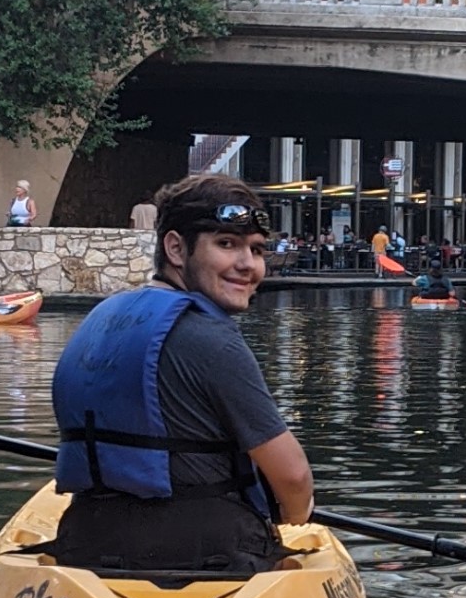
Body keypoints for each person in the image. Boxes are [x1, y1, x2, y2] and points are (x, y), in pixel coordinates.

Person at [45, 173, 314, 573]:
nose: (248, 265)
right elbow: (293, 477)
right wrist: (296, 515)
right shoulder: (213, 339)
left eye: (256, 250)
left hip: (86, 542)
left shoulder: (99, 318)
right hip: (211, 556)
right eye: (226, 244)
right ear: (175, 247)